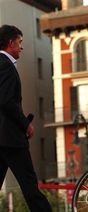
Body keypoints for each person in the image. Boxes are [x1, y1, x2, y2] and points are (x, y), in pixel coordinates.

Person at [0, 25, 52, 211]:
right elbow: (6, 101)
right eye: (20, 42)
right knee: (30, 186)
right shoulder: (5, 66)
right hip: (11, 139)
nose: (21, 47)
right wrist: (25, 125)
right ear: (11, 42)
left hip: (3, 139)